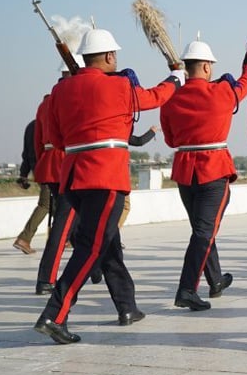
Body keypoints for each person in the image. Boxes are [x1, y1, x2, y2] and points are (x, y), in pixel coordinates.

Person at [34, 29, 181, 342]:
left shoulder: (60, 91)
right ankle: (54, 314)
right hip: (105, 177)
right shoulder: (119, 85)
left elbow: (57, 139)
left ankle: (126, 306)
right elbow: (153, 97)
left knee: (108, 243)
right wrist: (176, 79)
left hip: (73, 178)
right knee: (90, 248)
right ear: (110, 56)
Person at [160, 37, 247, 311]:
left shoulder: (171, 98)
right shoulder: (222, 92)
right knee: (204, 231)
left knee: (201, 229)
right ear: (208, 67)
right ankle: (187, 288)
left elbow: (171, 141)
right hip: (214, 168)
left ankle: (216, 280)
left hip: (186, 171)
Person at [32, 57, 81, 293]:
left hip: (48, 164)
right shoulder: (74, 98)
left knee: (78, 222)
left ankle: (96, 268)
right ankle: (46, 277)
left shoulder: (46, 103)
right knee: (63, 225)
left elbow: (37, 141)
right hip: (69, 164)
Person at [12, 118, 44, 254]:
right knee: (46, 204)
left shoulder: (31, 125)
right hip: (49, 168)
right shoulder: (47, 123)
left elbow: (26, 154)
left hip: (37, 169)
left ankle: (69, 238)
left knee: (56, 205)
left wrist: (23, 174)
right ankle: (24, 238)